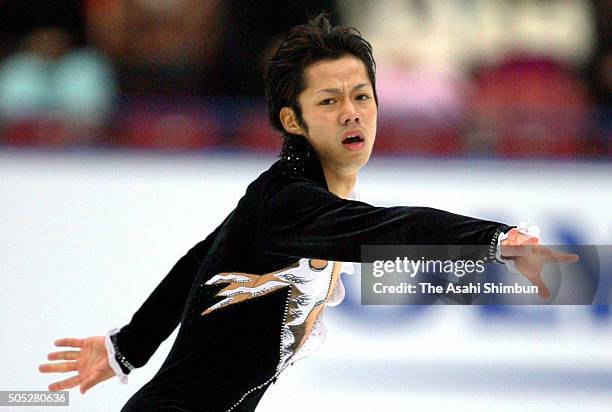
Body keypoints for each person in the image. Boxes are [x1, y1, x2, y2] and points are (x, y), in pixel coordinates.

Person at [39, 14, 577, 412]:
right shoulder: (289, 203)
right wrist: (498, 240)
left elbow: (198, 262)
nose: (352, 113)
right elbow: (389, 229)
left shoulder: (277, 195)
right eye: (329, 101)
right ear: (292, 120)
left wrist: (126, 348)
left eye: (362, 96)